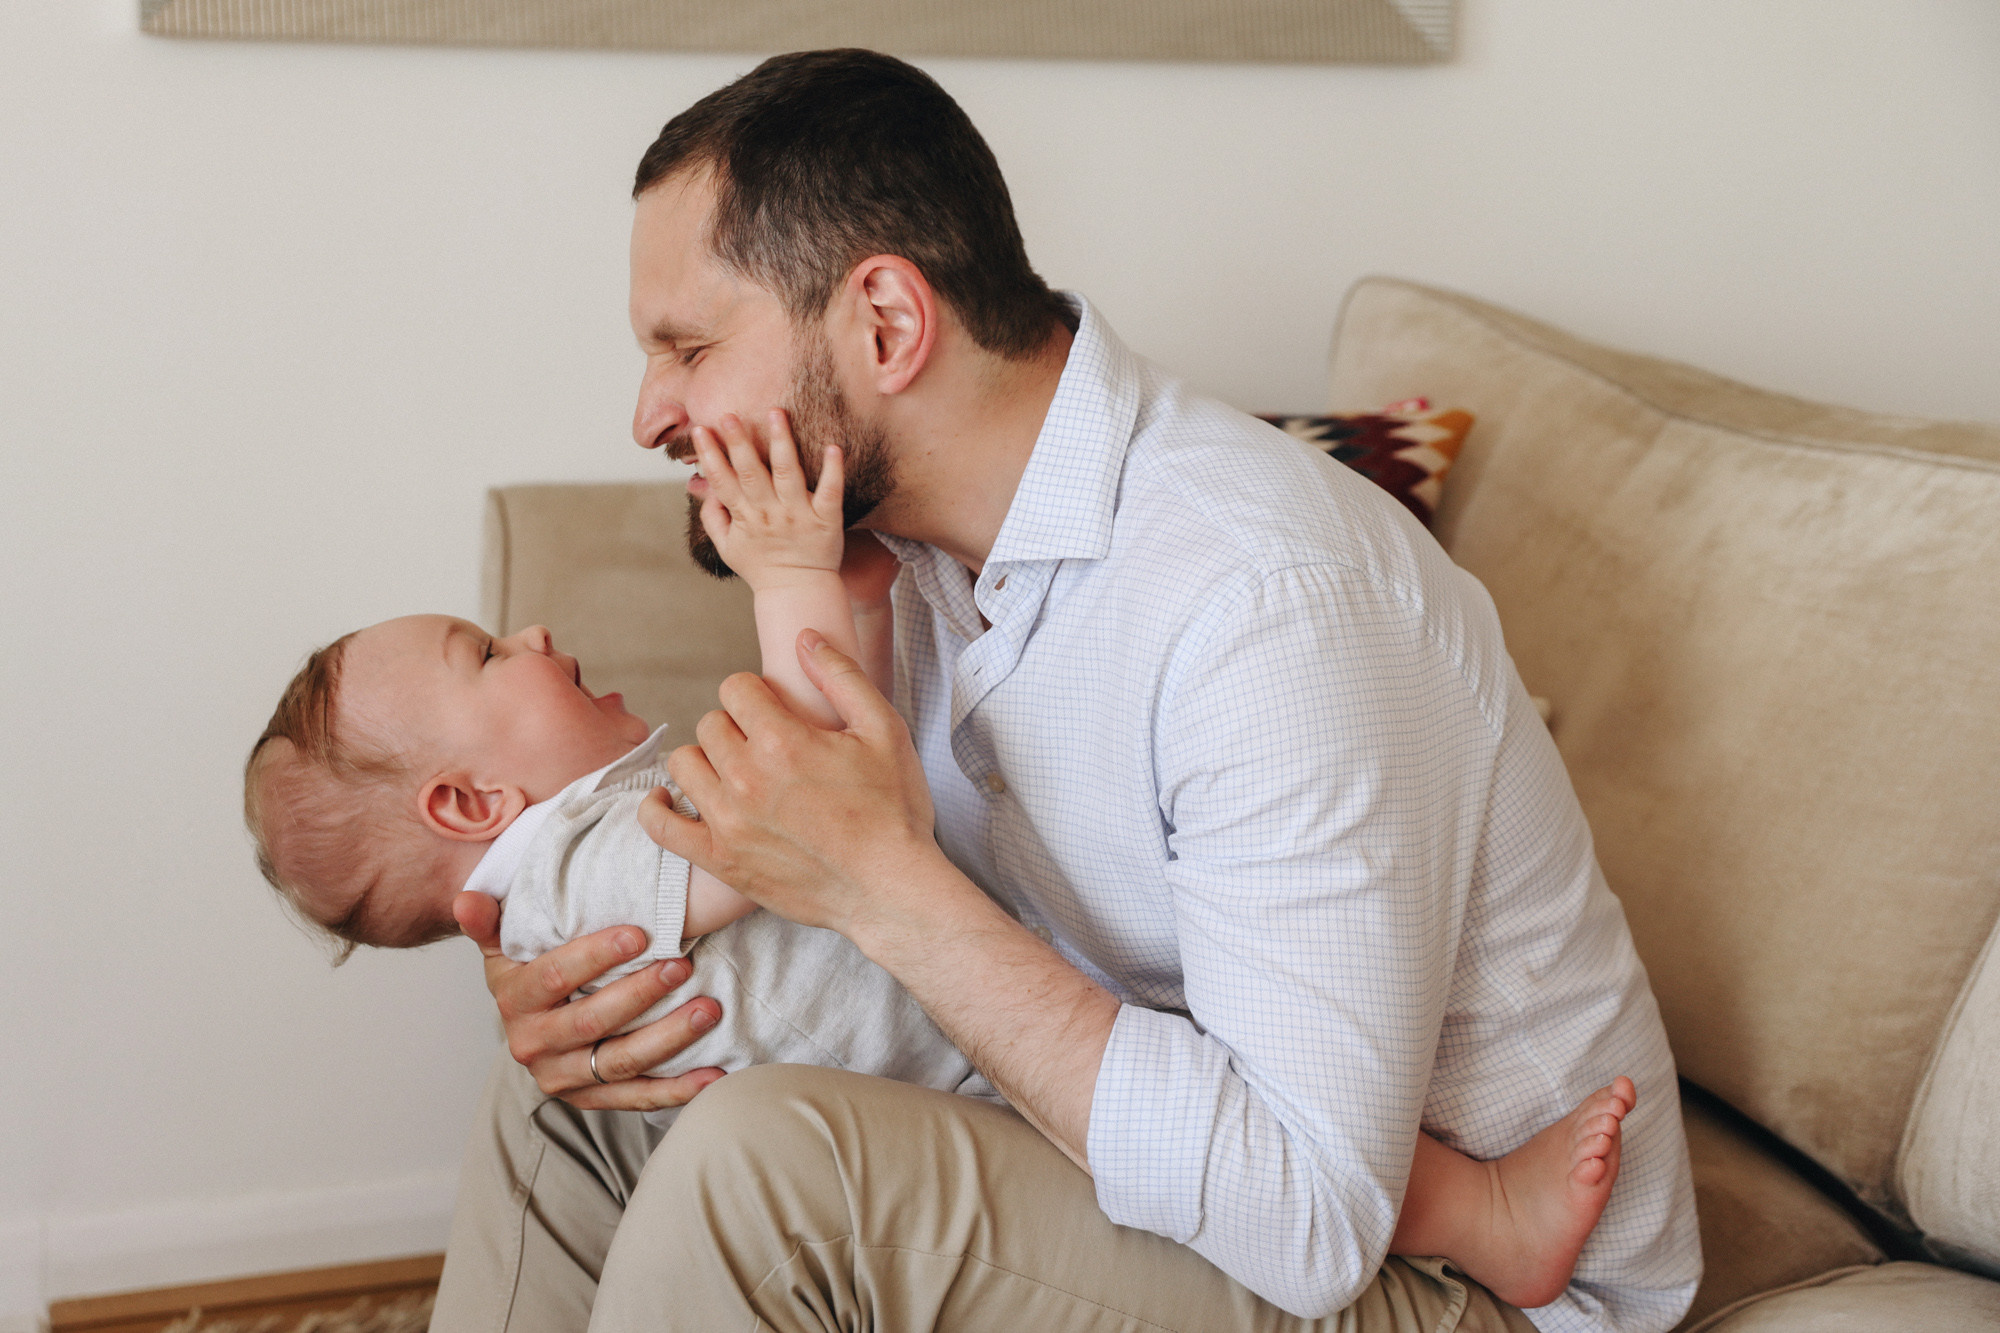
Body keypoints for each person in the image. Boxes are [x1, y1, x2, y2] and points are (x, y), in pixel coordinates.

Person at [437, 47, 1701, 1333]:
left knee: (766, 1165)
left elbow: (1311, 1220)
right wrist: (595, 970)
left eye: (689, 347)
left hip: (1452, 1280)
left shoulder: (1265, 604)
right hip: (1172, 1170)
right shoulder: (893, 557)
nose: (650, 413)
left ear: (886, 325)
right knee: (573, 1106)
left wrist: (880, 883)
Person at [246, 409, 1642, 1304]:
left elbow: (830, 772)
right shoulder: (580, 874)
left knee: (1174, 1110)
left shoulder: (1246, 586)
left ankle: (1481, 1215)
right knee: (552, 1105)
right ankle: (1475, 1207)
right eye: (488, 654)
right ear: (467, 802)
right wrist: (792, 576)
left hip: (1028, 1077)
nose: (534, 634)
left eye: (688, 346)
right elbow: (798, 801)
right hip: (954, 1072)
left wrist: (838, 595)